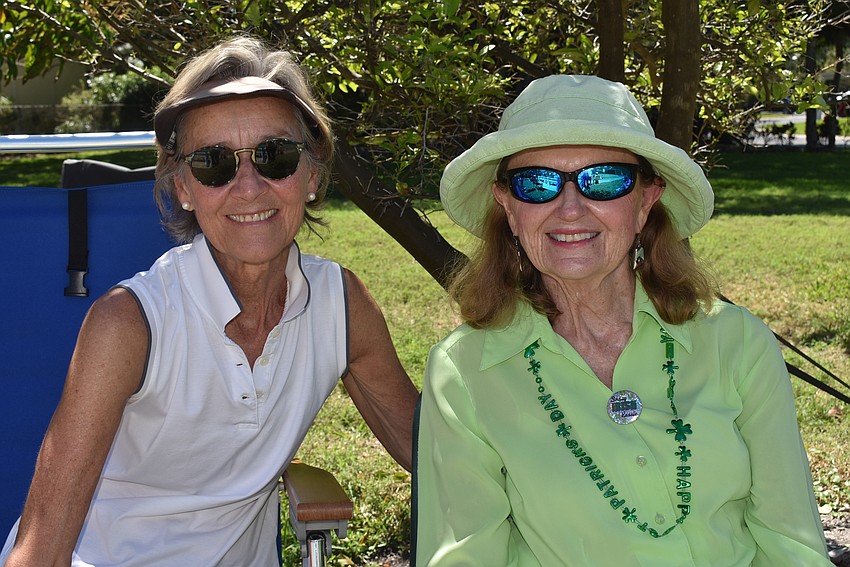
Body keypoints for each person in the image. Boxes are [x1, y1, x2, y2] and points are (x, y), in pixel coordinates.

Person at [1, 35, 419, 567]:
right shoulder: (129, 324)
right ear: (182, 188)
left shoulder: (340, 306)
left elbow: (430, 454)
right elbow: (41, 547)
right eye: (214, 163)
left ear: (312, 175)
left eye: (275, 156)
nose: (248, 187)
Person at [413, 75, 831, 566]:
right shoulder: (464, 372)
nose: (569, 209)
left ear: (645, 203)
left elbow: (792, 543)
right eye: (537, 183)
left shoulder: (737, 343)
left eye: (605, 179)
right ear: (507, 207)